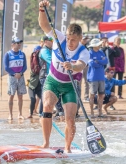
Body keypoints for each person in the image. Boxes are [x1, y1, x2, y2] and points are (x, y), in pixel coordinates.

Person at [38, 0, 90, 152]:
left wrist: (73, 67)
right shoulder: (59, 37)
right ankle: (46, 143)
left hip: (70, 86)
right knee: (47, 105)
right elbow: (44, 25)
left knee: (70, 119)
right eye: (68, 38)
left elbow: (81, 65)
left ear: (80, 39)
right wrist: (41, 8)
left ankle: (67, 148)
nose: (70, 42)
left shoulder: (83, 51)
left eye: (73, 40)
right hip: (53, 81)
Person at [3, 37, 27, 120]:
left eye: (20, 43)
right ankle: (10, 114)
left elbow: (25, 66)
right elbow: (6, 67)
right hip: (12, 77)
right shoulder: (8, 54)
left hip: (21, 77)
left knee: (20, 96)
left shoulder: (22, 54)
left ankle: (20, 113)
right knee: (11, 96)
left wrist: (20, 73)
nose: (19, 44)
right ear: (12, 44)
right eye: (17, 43)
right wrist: (14, 74)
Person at [87, 38, 108, 117]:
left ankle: (100, 112)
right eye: (98, 44)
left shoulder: (101, 52)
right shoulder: (90, 53)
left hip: (101, 77)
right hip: (93, 77)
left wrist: (98, 61)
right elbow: (92, 64)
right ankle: (91, 112)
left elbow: (106, 61)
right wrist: (100, 62)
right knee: (92, 95)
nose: (100, 45)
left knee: (101, 95)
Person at [38, 36, 53, 116]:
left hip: (50, 75)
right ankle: (41, 113)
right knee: (45, 95)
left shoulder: (50, 50)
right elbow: (51, 61)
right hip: (44, 76)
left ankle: (45, 112)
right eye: (51, 40)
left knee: (49, 95)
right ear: (46, 41)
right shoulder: (44, 50)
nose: (52, 42)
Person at [80, 34, 90, 102]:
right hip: (79, 67)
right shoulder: (77, 47)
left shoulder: (87, 47)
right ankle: (78, 97)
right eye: (84, 39)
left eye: (86, 39)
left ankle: (86, 96)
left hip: (86, 66)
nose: (85, 40)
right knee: (79, 82)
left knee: (87, 82)